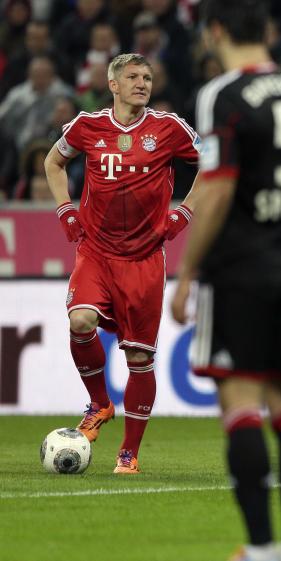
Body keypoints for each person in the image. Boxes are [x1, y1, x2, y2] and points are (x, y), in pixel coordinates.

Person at [169, 1, 281, 560]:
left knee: (239, 402)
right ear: (267, 30)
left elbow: (216, 189)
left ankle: (261, 548)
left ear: (215, 32)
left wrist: (188, 271)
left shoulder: (223, 94)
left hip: (238, 268)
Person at [42, 51, 199, 475]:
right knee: (80, 322)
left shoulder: (168, 128)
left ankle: (129, 453)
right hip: (96, 250)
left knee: (138, 359)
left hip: (145, 259)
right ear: (113, 85)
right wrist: (64, 208)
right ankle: (99, 402)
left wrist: (185, 210)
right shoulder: (87, 126)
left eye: (147, 77)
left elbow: (213, 163)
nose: (142, 83)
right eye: (132, 77)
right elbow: (53, 162)